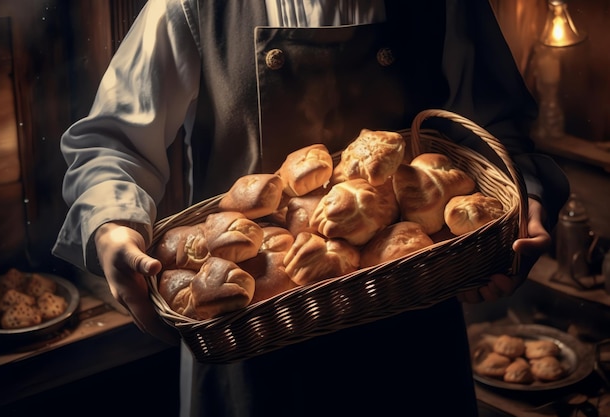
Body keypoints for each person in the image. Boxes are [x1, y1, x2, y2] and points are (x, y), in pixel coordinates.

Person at [53, 1, 570, 416]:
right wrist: (111, 230)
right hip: (250, 335)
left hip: (413, 336)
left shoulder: (449, 7)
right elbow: (110, 143)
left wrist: (526, 206)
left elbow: (498, 135)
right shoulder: (194, 9)